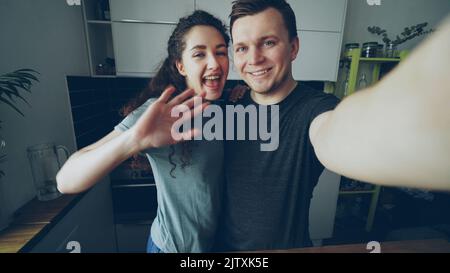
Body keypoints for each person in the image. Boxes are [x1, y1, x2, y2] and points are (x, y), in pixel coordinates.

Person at [216, 0, 450, 252]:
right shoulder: (227, 104)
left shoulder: (316, 108)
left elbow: (339, 134)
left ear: (293, 47)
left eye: (268, 42)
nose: (254, 59)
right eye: (241, 48)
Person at [56, 10, 231, 253]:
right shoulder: (159, 114)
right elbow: (66, 180)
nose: (214, 63)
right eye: (199, 54)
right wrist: (134, 139)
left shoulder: (222, 109)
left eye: (220, 52)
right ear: (180, 65)